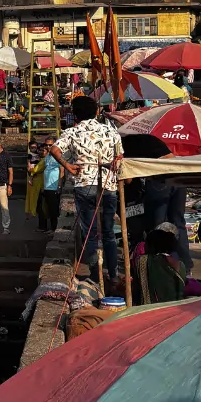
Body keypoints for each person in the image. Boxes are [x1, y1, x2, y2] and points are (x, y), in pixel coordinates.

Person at [50, 96, 123, 282]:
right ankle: (113, 275)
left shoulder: (73, 132)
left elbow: (54, 149)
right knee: (108, 232)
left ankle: (94, 275)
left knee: (90, 232)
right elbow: (119, 157)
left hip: (84, 183)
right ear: (96, 112)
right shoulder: (110, 130)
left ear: (75, 114)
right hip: (108, 184)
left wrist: (67, 166)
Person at [132, 223, 187, 304]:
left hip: (150, 311)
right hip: (176, 310)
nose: (144, 247)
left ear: (153, 246)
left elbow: (137, 292)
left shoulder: (143, 260)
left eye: (147, 244)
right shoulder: (180, 265)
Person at [37, 141, 63, 233]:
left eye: (50, 145)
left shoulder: (58, 155)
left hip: (54, 186)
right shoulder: (47, 156)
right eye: (46, 145)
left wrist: (59, 185)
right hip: (47, 186)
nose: (48, 147)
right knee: (49, 209)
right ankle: (52, 228)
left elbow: (62, 170)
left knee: (54, 209)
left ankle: (54, 228)